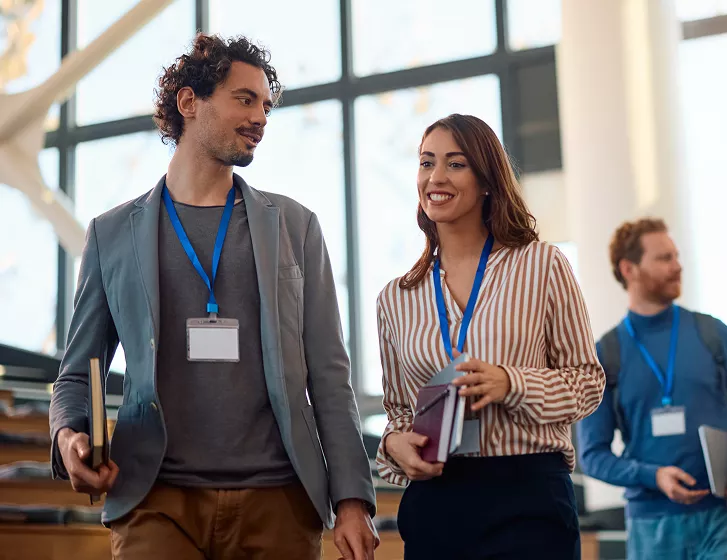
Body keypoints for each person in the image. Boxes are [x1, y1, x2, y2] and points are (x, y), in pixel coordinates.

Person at [48, 34, 378, 560]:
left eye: (266, 105)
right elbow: (74, 373)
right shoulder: (112, 235)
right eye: (244, 99)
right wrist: (70, 438)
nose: (261, 117)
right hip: (155, 501)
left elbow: (330, 377)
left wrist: (354, 499)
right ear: (188, 103)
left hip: (281, 502)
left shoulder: (296, 227)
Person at [374, 113, 605, 559]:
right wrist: (393, 445)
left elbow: (587, 382)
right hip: (436, 505)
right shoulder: (395, 298)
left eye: (455, 164)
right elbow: (401, 412)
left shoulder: (542, 265)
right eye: (426, 163)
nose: (436, 177)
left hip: (528, 499)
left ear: (486, 180)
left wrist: (510, 383)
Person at [577, 218, 727, 560]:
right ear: (629, 269)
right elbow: (592, 455)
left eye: (676, 256)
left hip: (724, 517)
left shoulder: (713, 334)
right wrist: (653, 476)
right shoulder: (606, 354)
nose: (677, 266)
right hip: (651, 527)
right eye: (664, 258)